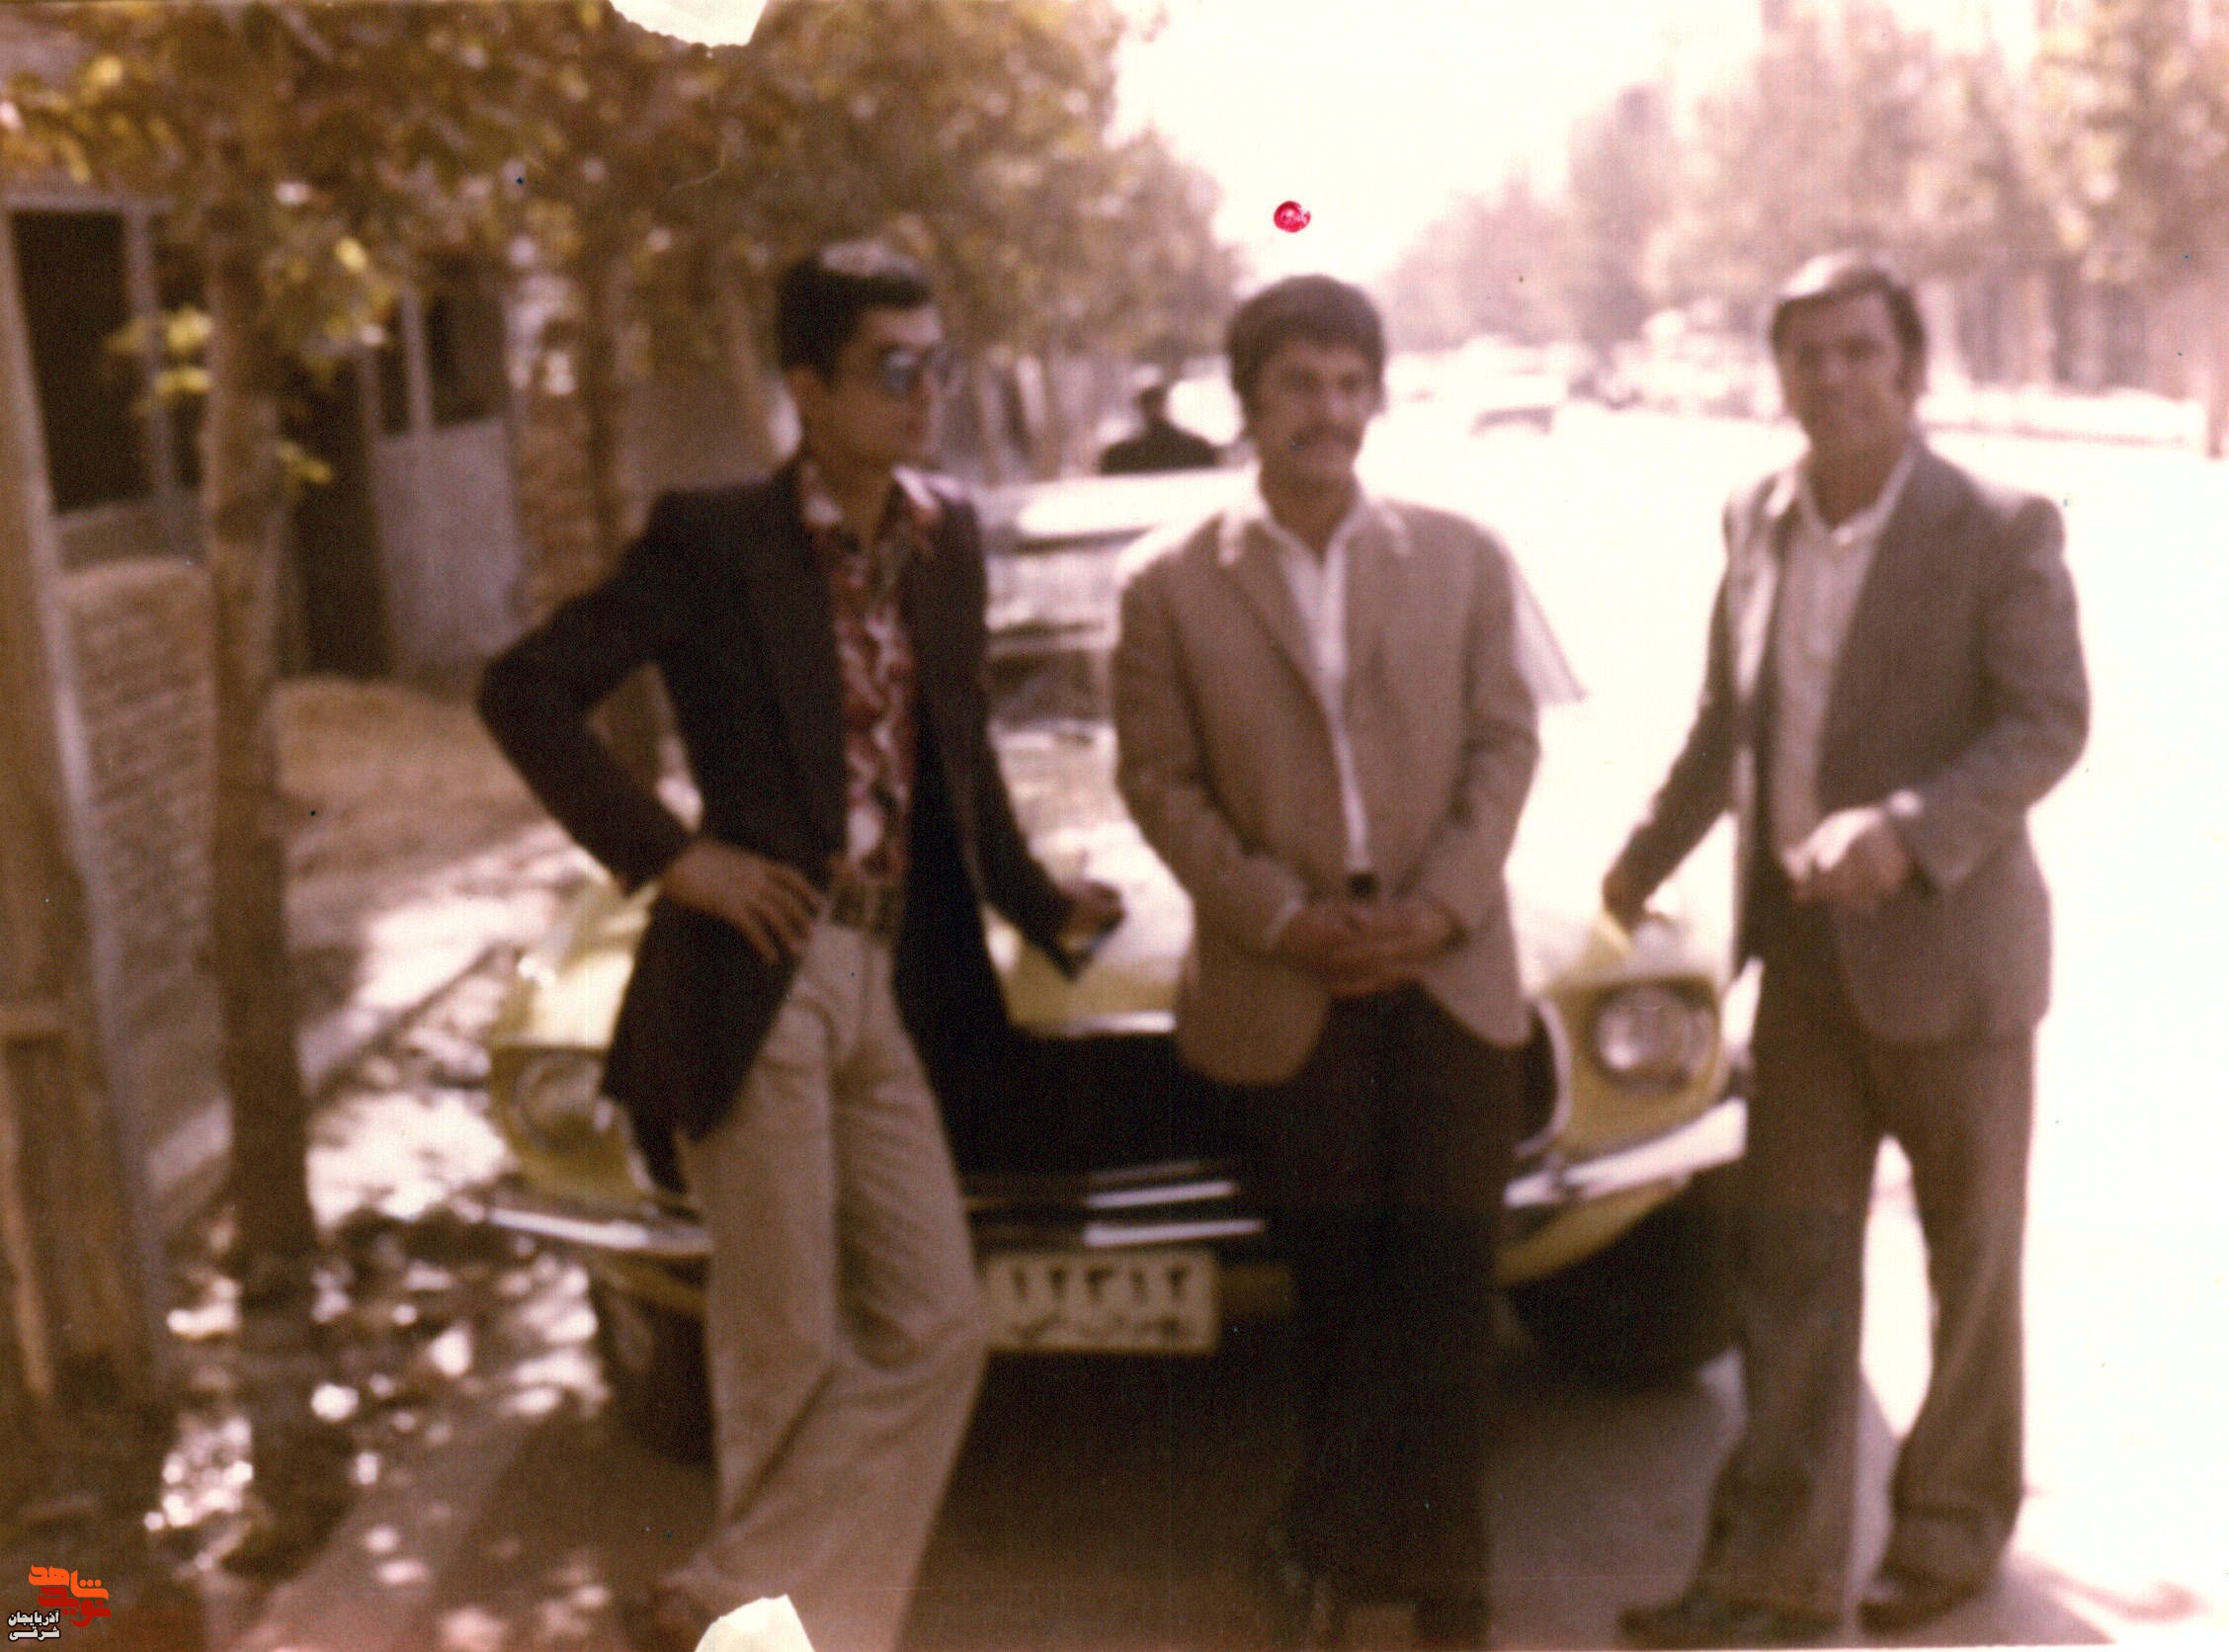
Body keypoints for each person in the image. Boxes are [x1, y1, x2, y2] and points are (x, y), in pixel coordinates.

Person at [476, 241, 1122, 1652]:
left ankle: (727, 1601)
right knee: (784, 1352)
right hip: (757, 972)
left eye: (938, 365)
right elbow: (523, 690)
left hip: (887, 980)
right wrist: (674, 857)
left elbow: (960, 757)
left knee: (939, 1325)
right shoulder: (714, 539)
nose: (926, 393)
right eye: (893, 370)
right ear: (808, 390)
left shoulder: (944, 536)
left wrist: (1036, 900)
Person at [1606, 252, 2089, 1649]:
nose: (1834, 379)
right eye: (1807, 354)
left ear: (1911, 369)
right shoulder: (1754, 516)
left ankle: (1947, 1533)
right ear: (1780, 376)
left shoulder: (1995, 526)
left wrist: (1910, 827)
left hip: (1954, 957)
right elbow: (1729, 724)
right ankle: (1776, 1571)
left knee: (1968, 1271)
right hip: (1807, 963)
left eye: (1861, 350)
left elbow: (2046, 721)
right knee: (1788, 1269)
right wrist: (1635, 868)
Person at [1111, 276, 1539, 1650]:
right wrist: (1284, 918)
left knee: (1452, 1292)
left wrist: (1444, 905)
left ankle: (1451, 1595)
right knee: (1342, 1299)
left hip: (1446, 974)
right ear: (1246, 403)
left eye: (1351, 385)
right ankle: (1341, 1570)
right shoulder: (1170, 585)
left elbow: (1506, 745)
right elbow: (1160, 784)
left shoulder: (1463, 557)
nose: (1329, 412)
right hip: (1286, 983)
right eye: (1299, 384)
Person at [1097, 379, 1222, 474]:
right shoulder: (1198, 449)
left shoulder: (1118, 455)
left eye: (1155, 403)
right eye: (1150, 404)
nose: (1154, 410)